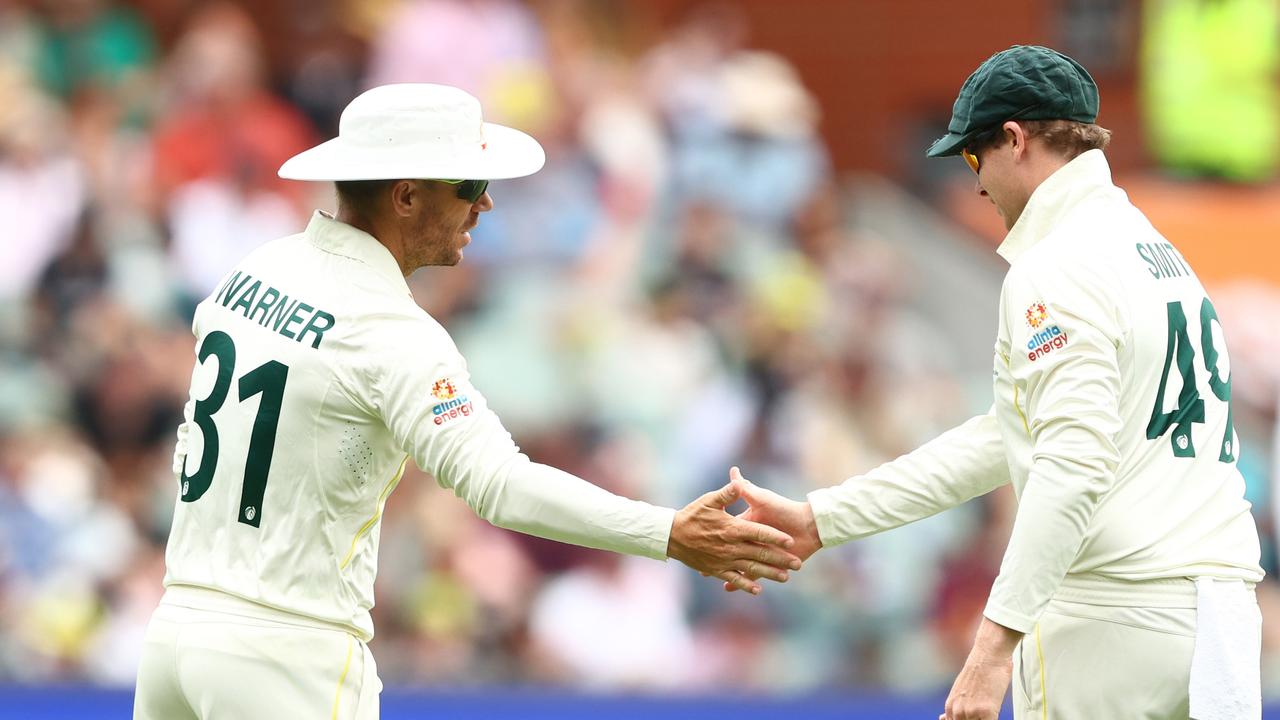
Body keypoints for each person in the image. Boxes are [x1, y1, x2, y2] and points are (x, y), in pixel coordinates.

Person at [132, 83, 803, 720]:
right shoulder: (394, 333)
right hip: (287, 654)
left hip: (176, 634)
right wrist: (667, 533)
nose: (484, 205)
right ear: (404, 197)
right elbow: (501, 488)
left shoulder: (252, 273)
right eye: (469, 185)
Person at [727, 45, 1264, 720]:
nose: (976, 185)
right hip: (1217, 622)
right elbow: (1008, 436)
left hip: (1111, 620)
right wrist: (826, 518)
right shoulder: (1153, 249)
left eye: (975, 159)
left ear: (1014, 140)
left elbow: (1070, 465)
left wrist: (991, 646)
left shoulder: (1058, 265)